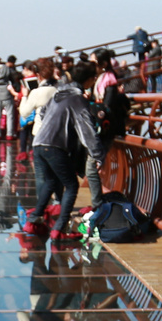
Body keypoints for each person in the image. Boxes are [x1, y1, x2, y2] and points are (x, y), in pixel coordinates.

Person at [29, 61, 102, 242]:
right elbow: (88, 131)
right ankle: (59, 229)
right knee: (71, 185)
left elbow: (43, 113)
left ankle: (33, 220)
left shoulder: (58, 94)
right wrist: (98, 155)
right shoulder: (78, 99)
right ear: (90, 80)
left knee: (51, 181)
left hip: (38, 142)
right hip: (54, 146)